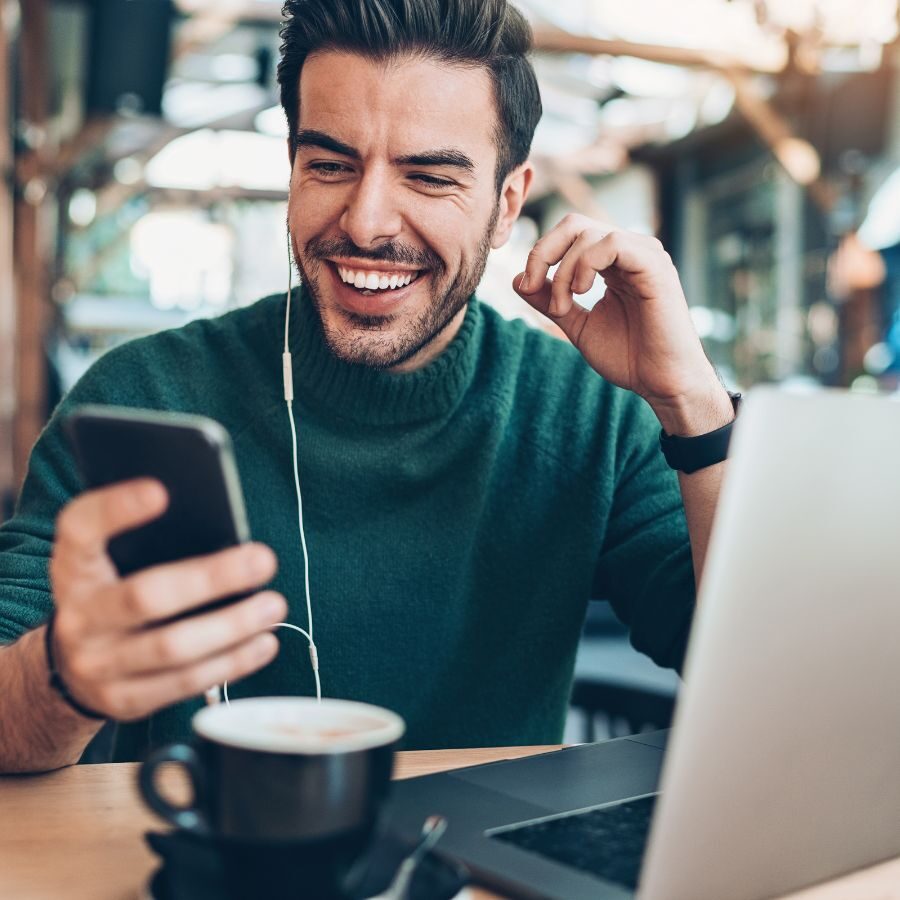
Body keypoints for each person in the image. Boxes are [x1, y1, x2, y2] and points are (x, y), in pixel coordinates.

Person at [0, 0, 735, 773]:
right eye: (331, 164)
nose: (366, 220)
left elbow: (749, 679)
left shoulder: (589, 416)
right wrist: (64, 677)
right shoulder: (144, 394)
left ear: (505, 205)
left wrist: (693, 402)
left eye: (429, 176)